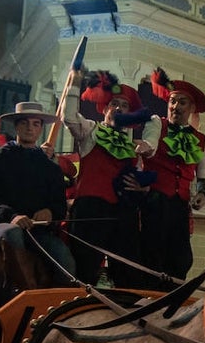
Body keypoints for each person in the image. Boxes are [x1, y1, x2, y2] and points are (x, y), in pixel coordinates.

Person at [63, 68, 160, 287]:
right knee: (84, 269)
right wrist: (74, 84)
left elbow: (153, 119)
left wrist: (142, 188)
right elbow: (68, 117)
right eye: (114, 104)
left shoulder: (134, 148)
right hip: (90, 210)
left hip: (122, 214)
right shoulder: (91, 131)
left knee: (128, 272)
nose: (118, 109)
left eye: (124, 106)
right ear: (105, 108)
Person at [0, 100, 77, 290]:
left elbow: (59, 205)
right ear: (16, 126)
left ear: (41, 129)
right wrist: (12, 216)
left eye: (35, 124)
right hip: (1, 226)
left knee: (66, 263)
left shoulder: (51, 168)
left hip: (38, 232)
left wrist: (50, 212)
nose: (30, 128)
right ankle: (24, 295)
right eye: (24, 123)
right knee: (12, 233)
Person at [140, 67, 205, 287]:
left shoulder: (200, 139)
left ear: (191, 109)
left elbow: (204, 174)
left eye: (182, 102)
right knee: (152, 254)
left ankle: (171, 300)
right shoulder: (156, 123)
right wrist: (146, 148)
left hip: (179, 205)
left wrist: (201, 193)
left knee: (182, 258)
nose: (175, 106)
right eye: (172, 101)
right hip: (154, 200)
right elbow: (150, 145)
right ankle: (150, 298)